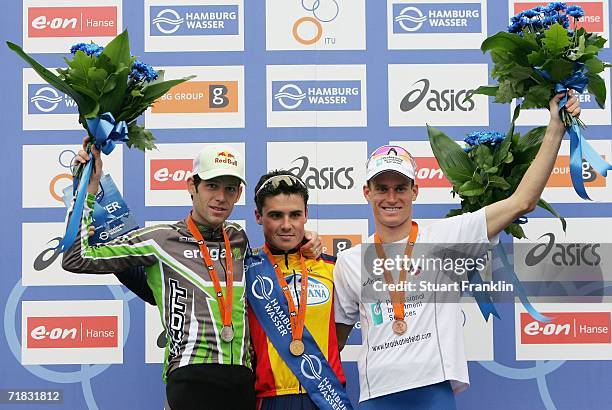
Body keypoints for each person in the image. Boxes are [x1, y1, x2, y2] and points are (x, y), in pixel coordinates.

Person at [333, 93, 581, 409]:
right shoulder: (349, 261)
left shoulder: (448, 236)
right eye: (382, 188)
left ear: (415, 191)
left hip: (433, 392)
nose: (391, 197)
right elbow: (334, 343)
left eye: (400, 187)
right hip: (376, 395)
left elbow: (522, 201)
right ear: (367, 192)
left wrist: (555, 129)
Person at [66, 141, 322, 410]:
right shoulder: (161, 239)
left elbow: (270, 258)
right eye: (212, 186)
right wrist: (88, 191)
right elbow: (77, 258)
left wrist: (305, 239)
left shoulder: (238, 239)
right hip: (191, 381)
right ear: (192, 186)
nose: (221, 197)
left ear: (239, 194)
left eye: (230, 189)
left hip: (243, 384)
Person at [246, 170, 350, 409]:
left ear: (306, 214)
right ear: (258, 216)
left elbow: (341, 334)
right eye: (275, 215)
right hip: (269, 399)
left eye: (294, 215)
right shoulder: (246, 270)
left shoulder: (334, 268)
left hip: (327, 397)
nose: (286, 225)